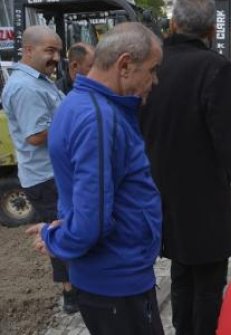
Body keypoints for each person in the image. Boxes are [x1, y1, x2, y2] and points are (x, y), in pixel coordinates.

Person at [140, 0, 231, 333]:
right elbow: (230, 148)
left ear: (173, 25)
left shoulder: (154, 67)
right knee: (207, 285)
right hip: (202, 200)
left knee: (181, 274)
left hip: (162, 192)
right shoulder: (214, 68)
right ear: (209, 31)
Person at [26, 22, 165, 334]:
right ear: (125, 65)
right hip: (116, 284)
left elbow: (86, 198)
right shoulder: (98, 119)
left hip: (115, 279)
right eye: (152, 70)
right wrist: (54, 238)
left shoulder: (83, 105)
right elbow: (90, 223)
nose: (154, 81)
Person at [1, 26, 78, 314]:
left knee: (65, 228)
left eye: (58, 51)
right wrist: (75, 125)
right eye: (49, 50)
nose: (56, 57)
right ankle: (71, 294)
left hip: (53, 172)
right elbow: (35, 136)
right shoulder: (26, 87)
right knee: (60, 232)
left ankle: (75, 287)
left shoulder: (40, 81)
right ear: (28, 50)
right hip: (46, 176)